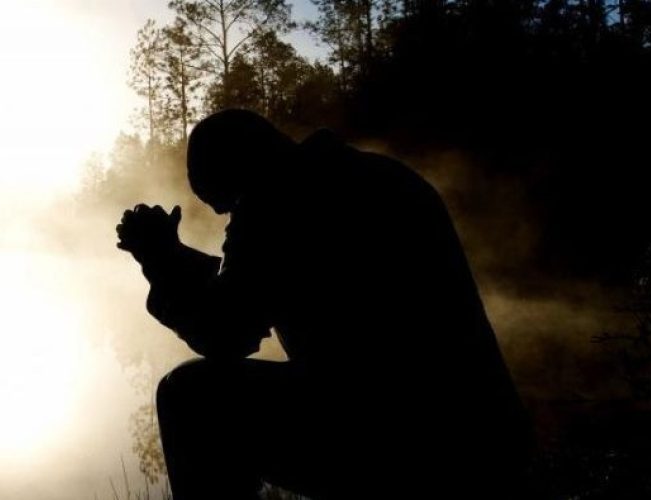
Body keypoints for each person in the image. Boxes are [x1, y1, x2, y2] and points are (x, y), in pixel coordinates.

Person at [116, 109, 532, 499]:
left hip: (402, 446)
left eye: (230, 205)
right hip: (489, 436)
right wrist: (174, 256)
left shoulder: (277, 203)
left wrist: (159, 260)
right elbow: (256, 281)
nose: (230, 220)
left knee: (189, 396)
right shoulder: (379, 175)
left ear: (241, 168)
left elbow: (225, 332)